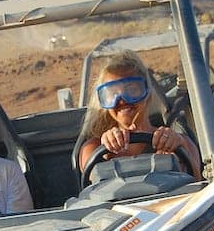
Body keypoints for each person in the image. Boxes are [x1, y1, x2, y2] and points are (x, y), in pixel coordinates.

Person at [78, 49, 201, 179]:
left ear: (147, 93)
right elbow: (92, 186)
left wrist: (180, 148)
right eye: (112, 94)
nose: (122, 100)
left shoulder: (177, 142)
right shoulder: (94, 148)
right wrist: (106, 150)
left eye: (131, 90)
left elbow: (198, 184)